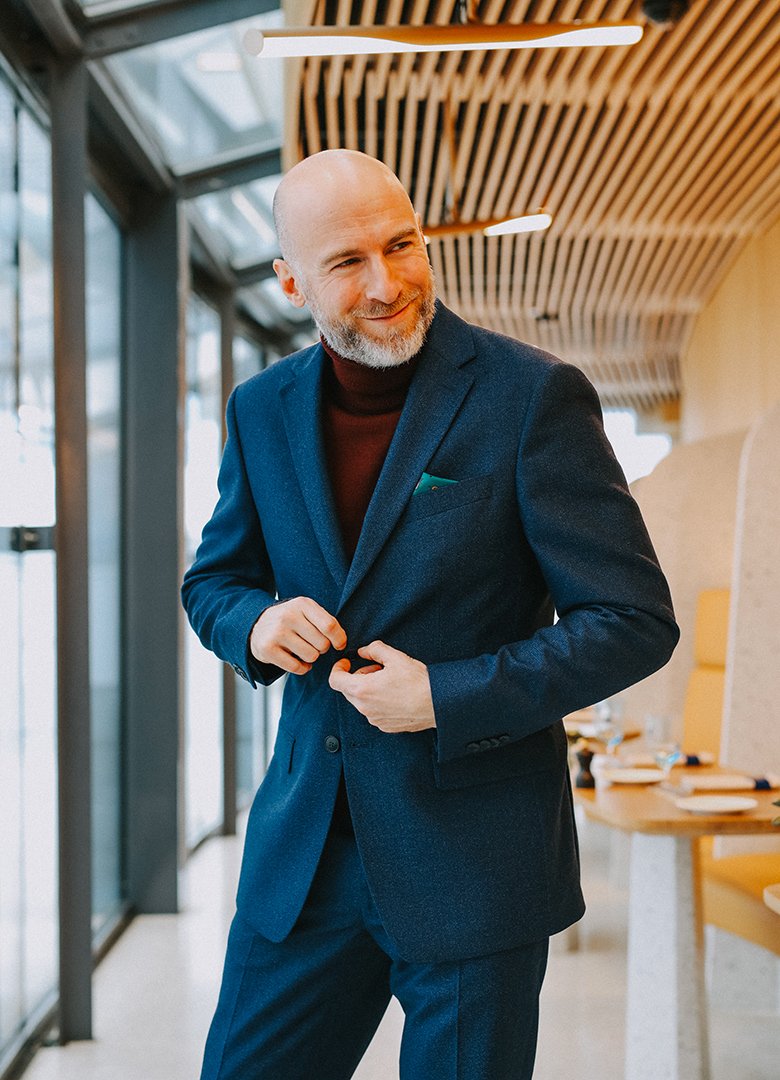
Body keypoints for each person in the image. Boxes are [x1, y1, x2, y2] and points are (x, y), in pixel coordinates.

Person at [181, 149, 679, 1080]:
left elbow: (633, 618)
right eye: (346, 263)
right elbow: (212, 581)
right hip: (304, 864)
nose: (388, 283)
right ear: (291, 282)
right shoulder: (260, 410)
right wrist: (251, 624)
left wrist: (447, 694)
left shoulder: (532, 395)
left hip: (475, 864)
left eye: (401, 245)